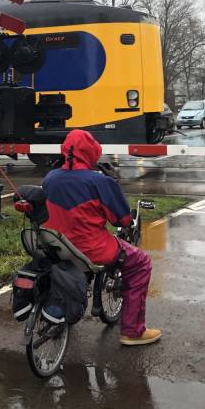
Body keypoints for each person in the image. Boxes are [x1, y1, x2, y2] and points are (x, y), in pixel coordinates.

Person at [42, 129, 161, 346]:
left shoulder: (50, 178)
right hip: (91, 248)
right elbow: (122, 220)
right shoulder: (99, 182)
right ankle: (133, 332)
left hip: (56, 244)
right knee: (141, 263)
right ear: (91, 152)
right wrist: (112, 183)